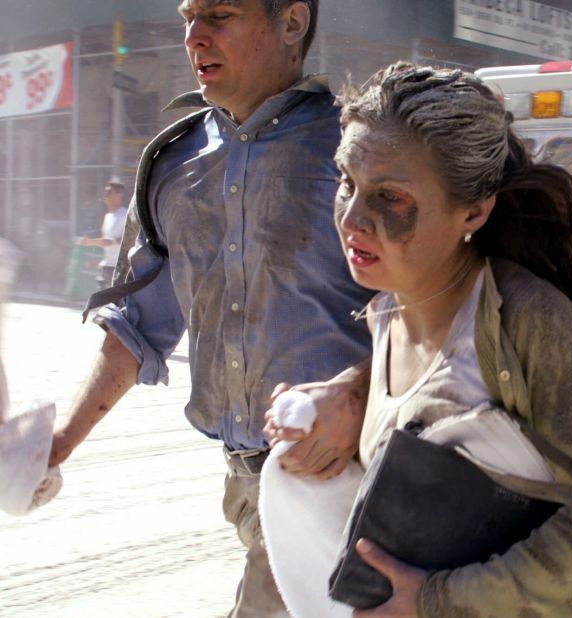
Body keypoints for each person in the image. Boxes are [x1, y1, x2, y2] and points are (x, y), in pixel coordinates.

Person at [289, 61, 572, 617]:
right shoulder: (388, 308)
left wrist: (441, 603)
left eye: (390, 198)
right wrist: (341, 399)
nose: (353, 217)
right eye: (347, 183)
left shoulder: (530, 322)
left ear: (476, 209)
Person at [49, 1, 373, 615]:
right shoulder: (172, 163)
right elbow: (135, 325)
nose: (195, 36)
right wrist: (58, 444)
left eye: (219, 14)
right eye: (188, 17)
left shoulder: (358, 151)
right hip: (249, 482)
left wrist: (353, 394)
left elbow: (436, 304)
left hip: (353, 477)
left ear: (292, 22)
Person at [76, 179, 128, 290]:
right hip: (107, 267)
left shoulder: (125, 215)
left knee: (116, 303)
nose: (105, 195)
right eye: (105, 192)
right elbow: (106, 241)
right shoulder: (108, 217)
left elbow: (127, 239)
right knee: (105, 303)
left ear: (119, 195)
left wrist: (92, 242)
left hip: (120, 268)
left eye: (109, 192)